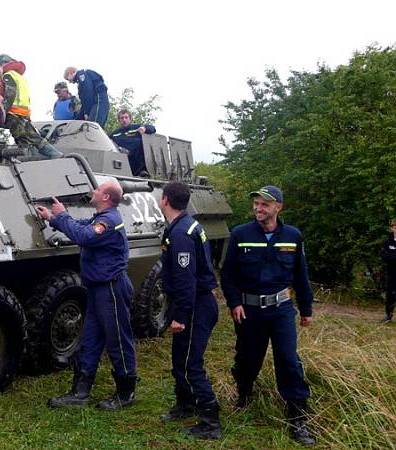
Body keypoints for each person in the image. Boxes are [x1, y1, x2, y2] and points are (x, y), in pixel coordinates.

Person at [220, 186, 316, 446]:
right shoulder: (240, 234)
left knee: (287, 359)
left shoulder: (292, 236)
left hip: (281, 309)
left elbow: (301, 276)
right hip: (249, 310)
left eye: (264, 205)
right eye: (256, 204)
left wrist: (306, 310)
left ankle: (297, 416)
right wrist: (234, 303)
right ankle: (245, 393)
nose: (258, 208)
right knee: (248, 358)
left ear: (278, 208)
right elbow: (228, 275)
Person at [37, 182, 138, 411]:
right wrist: (53, 218)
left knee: (118, 341)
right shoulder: (101, 217)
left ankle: (126, 392)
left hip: (111, 289)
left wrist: (61, 216)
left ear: (105, 197)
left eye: (97, 190)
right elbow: (81, 226)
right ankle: (79, 393)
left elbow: (84, 236)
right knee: (90, 340)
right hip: (98, 289)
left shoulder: (109, 221)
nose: (93, 191)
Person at [158, 182, 221, 439]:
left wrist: (180, 316)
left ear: (164, 200)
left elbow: (186, 279)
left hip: (195, 305)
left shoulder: (182, 233)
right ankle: (185, 404)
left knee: (190, 364)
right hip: (194, 302)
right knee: (179, 360)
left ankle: (210, 420)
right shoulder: (185, 225)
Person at [0, 54, 61, 159]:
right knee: (27, 138)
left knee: (26, 137)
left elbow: (10, 95)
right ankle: (27, 159)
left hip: (13, 113)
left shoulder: (8, 74)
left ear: (2, 64)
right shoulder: (19, 77)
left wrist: (2, 112)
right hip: (24, 113)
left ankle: (55, 155)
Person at [109, 109, 156, 177]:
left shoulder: (137, 127)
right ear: (119, 120)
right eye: (122, 118)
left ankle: (141, 171)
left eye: (126, 117)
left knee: (138, 142)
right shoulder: (115, 134)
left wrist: (145, 129)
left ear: (130, 119)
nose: (124, 120)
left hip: (136, 159)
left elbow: (152, 129)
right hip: (121, 159)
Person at [379, 218, 396, 323]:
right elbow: (384, 255)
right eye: (395, 227)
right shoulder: (387, 241)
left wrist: (392, 256)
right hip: (392, 273)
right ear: (392, 228)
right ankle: (388, 316)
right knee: (390, 295)